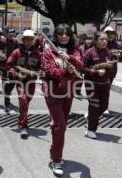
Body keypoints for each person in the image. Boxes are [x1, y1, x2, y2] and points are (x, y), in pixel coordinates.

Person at [41, 24, 82, 176]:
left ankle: (55, 151)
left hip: (68, 92)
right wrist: (66, 69)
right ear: (56, 36)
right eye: (60, 34)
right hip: (52, 92)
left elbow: (80, 63)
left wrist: (70, 58)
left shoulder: (75, 50)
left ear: (70, 36)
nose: (64, 36)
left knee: (62, 126)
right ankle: (56, 160)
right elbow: (50, 71)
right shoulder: (48, 52)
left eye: (67, 34)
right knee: (60, 125)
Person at [7, 30, 41, 137]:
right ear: (23, 40)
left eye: (31, 40)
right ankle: (23, 126)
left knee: (26, 103)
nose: (29, 42)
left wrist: (37, 73)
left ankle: (21, 119)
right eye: (26, 39)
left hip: (31, 82)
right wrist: (15, 74)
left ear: (33, 41)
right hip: (20, 81)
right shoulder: (16, 52)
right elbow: (9, 65)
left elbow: (41, 67)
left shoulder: (38, 54)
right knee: (23, 100)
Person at [82, 31, 116, 139]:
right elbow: (82, 68)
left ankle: (91, 117)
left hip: (105, 83)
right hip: (92, 83)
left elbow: (113, 65)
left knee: (104, 106)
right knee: (94, 106)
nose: (105, 41)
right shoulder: (89, 53)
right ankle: (90, 129)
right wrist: (95, 72)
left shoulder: (109, 53)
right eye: (102, 39)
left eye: (106, 39)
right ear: (96, 41)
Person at [4, 27, 19, 113]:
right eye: (9, 34)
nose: (11, 36)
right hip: (4, 66)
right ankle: (6, 104)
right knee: (6, 85)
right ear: (7, 34)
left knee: (13, 83)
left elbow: (19, 52)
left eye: (12, 34)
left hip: (13, 66)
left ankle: (7, 93)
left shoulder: (16, 42)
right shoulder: (3, 42)